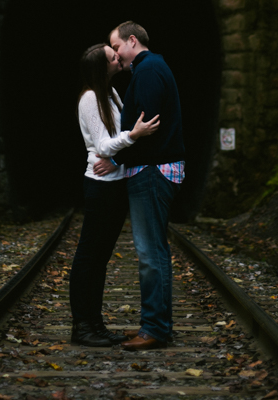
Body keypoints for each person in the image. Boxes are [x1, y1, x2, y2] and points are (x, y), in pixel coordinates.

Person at [94, 21, 185, 351]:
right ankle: (157, 325)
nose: (116, 55)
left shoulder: (147, 72)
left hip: (151, 170)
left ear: (133, 41)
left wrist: (116, 160)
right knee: (153, 251)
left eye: (117, 47)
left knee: (150, 253)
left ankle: (155, 329)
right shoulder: (153, 67)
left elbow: (147, 129)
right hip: (154, 169)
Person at [69, 41, 160, 347]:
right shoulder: (90, 98)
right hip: (100, 187)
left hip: (114, 184)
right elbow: (104, 145)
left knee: (100, 258)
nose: (118, 57)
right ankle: (83, 327)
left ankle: (95, 324)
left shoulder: (110, 94)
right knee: (89, 257)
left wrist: (126, 146)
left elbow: (113, 146)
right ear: (101, 66)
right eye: (112, 57)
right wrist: (134, 135)